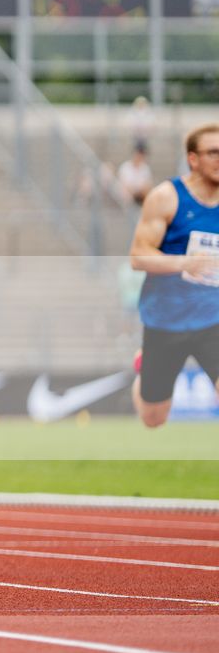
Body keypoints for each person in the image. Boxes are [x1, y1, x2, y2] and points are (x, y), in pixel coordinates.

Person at [126, 124, 219, 427]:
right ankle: (144, 368)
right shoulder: (167, 197)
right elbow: (138, 256)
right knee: (153, 417)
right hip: (167, 319)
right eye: (213, 153)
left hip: (213, 317)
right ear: (193, 159)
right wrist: (184, 264)